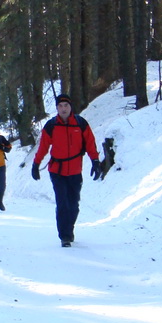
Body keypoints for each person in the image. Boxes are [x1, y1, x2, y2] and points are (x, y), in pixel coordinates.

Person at [31, 93, 102, 247]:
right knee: (62, 203)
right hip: (57, 171)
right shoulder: (51, 126)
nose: (63, 109)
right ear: (57, 108)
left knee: (74, 205)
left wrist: (95, 160)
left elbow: (90, 143)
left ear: (71, 107)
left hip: (75, 171)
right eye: (60, 106)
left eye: (66, 106)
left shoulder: (80, 123)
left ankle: (69, 229)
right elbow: (43, 147)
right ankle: (65, 236)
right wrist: (36, 164)